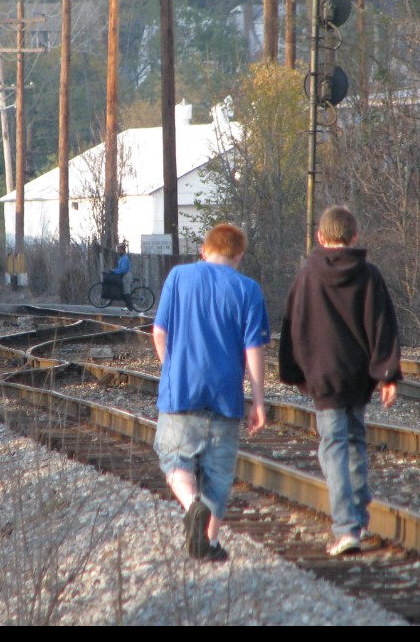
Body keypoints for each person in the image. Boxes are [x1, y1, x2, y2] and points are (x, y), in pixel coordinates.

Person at [279, 205, 401, 556]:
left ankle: (347, 528)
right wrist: (387, 374)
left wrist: (295, 370)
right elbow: (382, 324)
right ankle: (358, 518)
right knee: (355, 442)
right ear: (355, 236)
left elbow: (294, 324)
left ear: (320, 236)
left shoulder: (308, 274)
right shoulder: (369, 274)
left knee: (333, 447)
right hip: (358, 374)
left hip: (323, 374)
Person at [152, 223, 269, 562]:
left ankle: (192, 506)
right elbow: (254, 350)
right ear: (239, 255)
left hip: (181, 391)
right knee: (218, 476)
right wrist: (259, 400)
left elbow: (159, 333)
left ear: (203, 251)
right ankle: (209, 543)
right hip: (225, 397)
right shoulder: (249, 290)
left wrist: (171, 369)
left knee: (175, 458)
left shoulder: (178, 277)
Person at [110, 242, 133, 309]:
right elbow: (120, 268)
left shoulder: (125, 258)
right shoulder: (121, 258)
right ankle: (127, 307)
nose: (118, 251)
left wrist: (114, 271)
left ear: (123, 250)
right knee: (123, 291)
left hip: (126, 276)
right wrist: (114, 270)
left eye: (119, 250)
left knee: (126, 292)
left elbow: (123, 269)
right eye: (118, 250)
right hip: (123, 276)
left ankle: (130, 308)